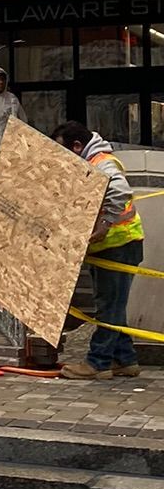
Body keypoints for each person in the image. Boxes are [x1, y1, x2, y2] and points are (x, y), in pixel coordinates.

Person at [54, 120, 146, 381]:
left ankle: (99, 362)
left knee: (108, 308)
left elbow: (120, 192)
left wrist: (105, 225)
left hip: (119, 244)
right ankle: (125, 360)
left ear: (77, 146)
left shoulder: (101, 163)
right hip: (111, 246)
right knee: (113, 305)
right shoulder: (89, 163)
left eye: (65, 151)